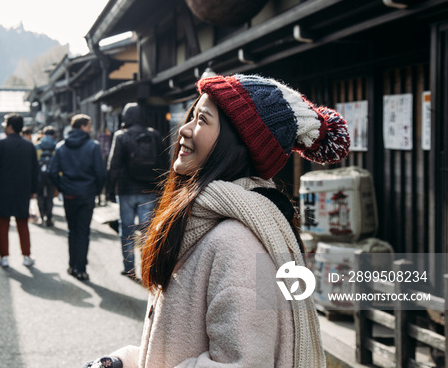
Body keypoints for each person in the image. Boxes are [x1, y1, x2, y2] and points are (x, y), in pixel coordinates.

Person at [83, 74, 350, 368]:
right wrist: (123, 361)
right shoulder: (209, 223)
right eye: (192, 116)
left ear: (235, 143)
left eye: (202, 120)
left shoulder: (236, 244)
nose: (184, 129)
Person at [106, 103, 168, 281]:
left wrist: (110, 189)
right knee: (147, 231)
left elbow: (114, 165)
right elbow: (164, 163)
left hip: (125, 190)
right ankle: (147, 268)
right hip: (149, 190)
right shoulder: (154, 135)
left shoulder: (121, 136)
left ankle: (129, 268)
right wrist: (163, 188)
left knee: (126, 230)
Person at [49, 114, 105, 281]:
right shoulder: (93, 146)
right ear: (82, 126)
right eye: (89, 126)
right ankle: (81, 269)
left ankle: (72, 265)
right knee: (83, 232)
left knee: (72, 230)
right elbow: (100, 173)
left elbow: (53, 172)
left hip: (69, 194)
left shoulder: (61, 146)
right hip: (87, 193)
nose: (91, 129)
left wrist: (63, 187)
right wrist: (95, 190)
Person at [0, 113, 39, 268]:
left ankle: (4, 257)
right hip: (22, 190)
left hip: (3, 189)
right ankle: (26, 256)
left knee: (3, 224)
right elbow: (34, 170)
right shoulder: (29, 145)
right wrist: (33, 190)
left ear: (10, 127)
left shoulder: (0, 144)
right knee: (22, 223)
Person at [35, 125, 57, 227]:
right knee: (50, 197)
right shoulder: (56, 146)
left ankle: (41, 215)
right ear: (54, 135)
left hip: (39, 175)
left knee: (39, 195)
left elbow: (33, 163)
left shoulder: (37, 146)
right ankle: (49, 217)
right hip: (52, 176)